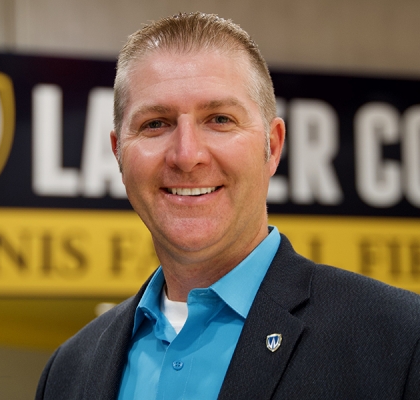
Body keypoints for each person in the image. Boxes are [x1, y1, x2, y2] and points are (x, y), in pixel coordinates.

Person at [35, 12, 420, 399]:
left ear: (273, 147)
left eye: (219, 119)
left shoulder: (401, 339)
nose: (186, 156)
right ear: (119, 152)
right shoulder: (68, 373)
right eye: (155, 123)